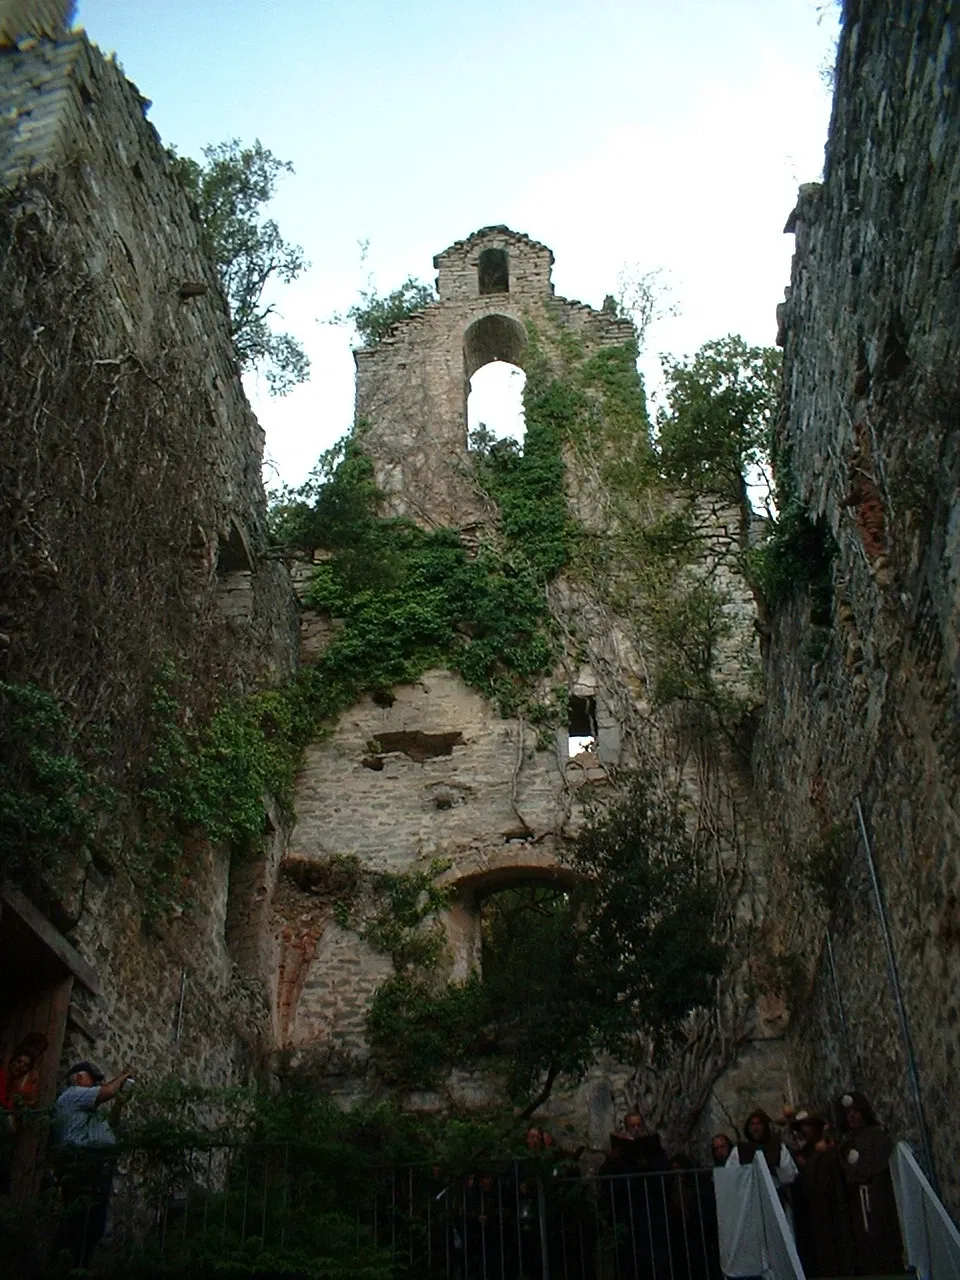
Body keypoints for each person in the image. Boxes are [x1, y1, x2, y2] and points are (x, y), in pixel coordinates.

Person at [52, 1059, 133, 1269]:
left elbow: (110, 1126)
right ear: (78, 1078)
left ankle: (78, 1266)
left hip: (99, 1167)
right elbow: (106, 1091)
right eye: (93, 1079)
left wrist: (119, 1104)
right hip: (83, 1163)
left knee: (93, 1228)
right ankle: (66, 1267)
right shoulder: (71, 1095)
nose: (97, 1084)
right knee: (78, 1223)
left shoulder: (90, 1112)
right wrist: (124, 1076)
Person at [838, 1091, 903, 1275]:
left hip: (878, 1196)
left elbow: (877, 1165)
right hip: (858, 1201)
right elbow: (847, 1170)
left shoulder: (877, 1136)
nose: (851, 1116)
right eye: (848, 1113)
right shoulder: (847, 1143)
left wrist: (862, 1171)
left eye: (855, 1112)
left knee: (883, 1239)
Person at [790, 1111, 855, 1279]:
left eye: (809, 1126)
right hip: (811, 1210)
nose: (805, 1130)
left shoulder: (828, 1149)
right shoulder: (803, 1152)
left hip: (830, 1208)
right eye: (803, 1126)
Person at [725, 1108, 798, 1189]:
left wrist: (775, 1165)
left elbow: (789, 1176)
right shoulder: (738, 1151)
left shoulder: (778, 1148)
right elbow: (731, 1176)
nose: (755, 1127)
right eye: (752, 1124)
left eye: (759, 1124)